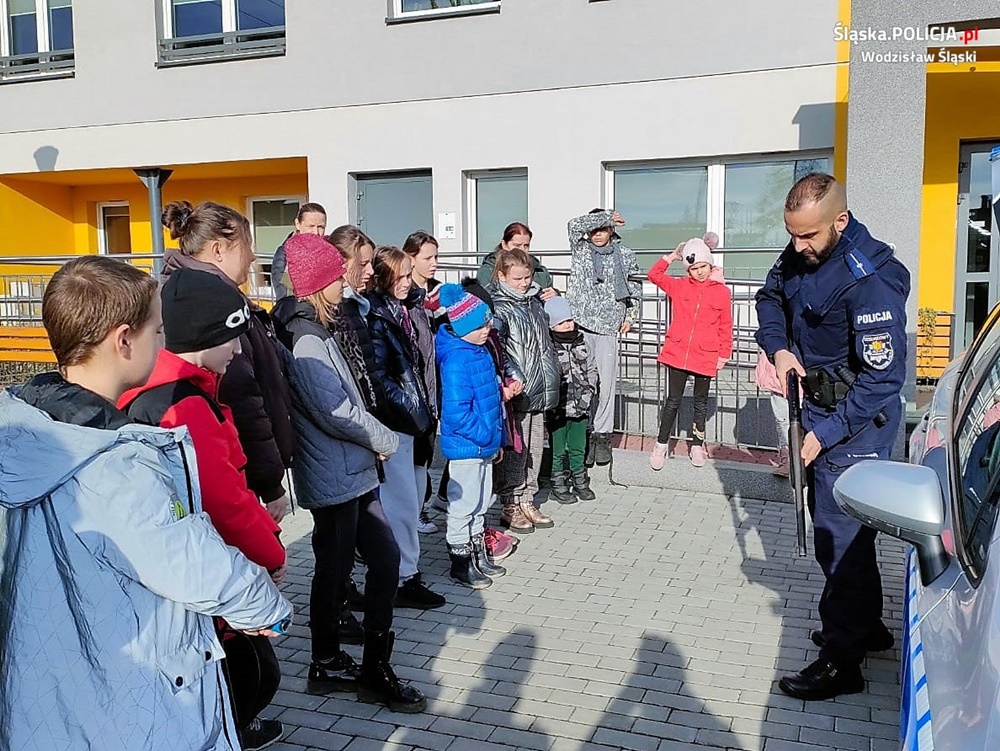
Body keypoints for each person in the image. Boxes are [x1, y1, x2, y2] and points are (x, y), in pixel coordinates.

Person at [0, 256, 291, 751]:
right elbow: (191, 560)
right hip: (128, 688)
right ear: (124, 339)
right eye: (157, 330)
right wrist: (267, 606)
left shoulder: (25, 426)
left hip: (47, 676)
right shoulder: (118, 462)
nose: (164, 342)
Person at [118, 268, 287, 748]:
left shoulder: (173, 390)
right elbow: (224, 499)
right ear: (203, 337)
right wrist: (270, 554)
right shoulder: (185, 404)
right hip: (210, 574)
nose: (237, 350)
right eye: (230, 339)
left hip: (193, 570)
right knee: (250, 677)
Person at [755, 173, 908, 701]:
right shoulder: (805, 247)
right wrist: (777, 347)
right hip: (818, 405)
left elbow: (883, 380)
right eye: (792, 235)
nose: (797, 248)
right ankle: (865, 630)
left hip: (855, 424)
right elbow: (769, 297)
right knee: (848, 540)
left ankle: (843, 663)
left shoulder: (869, 282)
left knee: (839, 543)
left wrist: (824, 434)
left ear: (839, 222)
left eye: (808, 237)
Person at [272, 233, 427, 713]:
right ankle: (334, 663)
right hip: (335, 472)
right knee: (339, 568)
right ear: (318, 284)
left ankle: (360, 663)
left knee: (368, 563)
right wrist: (383, 439)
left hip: (347, 470)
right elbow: (335, 409)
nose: (346, 282)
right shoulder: (306, 340)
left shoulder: (317, 328)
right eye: (337, 276)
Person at [161, 200, 295, 529]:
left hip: (235, 469)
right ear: (219, 249)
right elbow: (242, 397)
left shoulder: (207, 294)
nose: (252, 257)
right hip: (235, 477)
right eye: (247, 246)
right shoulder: (211, 306)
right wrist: (269, 482)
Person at [366, 245, 446, 609]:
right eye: (397, 276)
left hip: (415, 417)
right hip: (397, 421)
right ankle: (402, 577)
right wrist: (414, 413)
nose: (405, 282)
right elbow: (383, 379)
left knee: (411, 497)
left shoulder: (405, 306)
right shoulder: (376, 315)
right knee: (400, 502)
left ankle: (405, 572)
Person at [435, 283, 506, 588]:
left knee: (480, 502)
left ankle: (478, 552)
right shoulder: (456, 360)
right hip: (468, 446)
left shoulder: (479, 352)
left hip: (483, 444)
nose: (485, 331)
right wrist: (484, 435)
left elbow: (491, 400)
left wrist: (493, 439)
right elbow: (456, 413)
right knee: (463, 505)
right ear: (462, 326)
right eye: (479, 326)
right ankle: (460, 562)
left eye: (487, 324)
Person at [489, 248, 561, 533]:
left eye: (527, 276)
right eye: (517, 278)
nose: (523, 282)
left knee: (534, 447)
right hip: (517, 388)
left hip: (538, 385)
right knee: (515, 449)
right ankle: (510, 501)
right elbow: (498, 349)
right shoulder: (498, 305)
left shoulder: (534, 302)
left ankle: (527, 498)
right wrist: (511, 379)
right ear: (502, 275)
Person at [647, 234, 733, 469]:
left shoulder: (722, 293)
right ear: (688, 269)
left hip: (706, 355)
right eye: (694, 268)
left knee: (700, 403)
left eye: (703, 266)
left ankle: (697, 445)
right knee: (673, 401)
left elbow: (726, 325)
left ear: (710, 264)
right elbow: (653, 275)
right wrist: (672, 257)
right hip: (678, 352)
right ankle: (661, 444)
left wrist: (724, 354)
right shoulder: (679, 285)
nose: (700, 272)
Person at [565, 209, 641, 467]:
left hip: (610, 327)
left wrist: (631, 316)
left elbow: (635, 287)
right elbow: (574, 224)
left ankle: (603, 437)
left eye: (603, 229)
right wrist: (605, 216)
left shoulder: (626, 254)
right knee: (585, 384)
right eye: (594, 229)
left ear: (611, 231)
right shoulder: (581, 250)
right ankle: (584, 437)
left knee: (607, 386)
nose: (597, 234)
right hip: (583, 325)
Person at [401, 230, 444, 534]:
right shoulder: (404, 299)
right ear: (410, 258)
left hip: (432, 387)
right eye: (427, 258)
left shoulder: (439, 292)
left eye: (436, 257)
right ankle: (413, 513)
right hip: (411, 393)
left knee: (424, 456)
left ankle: (421, 508)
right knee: (413, 458)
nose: (434, 264)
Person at [544, 296, 598, 503]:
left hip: (581, 404)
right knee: (558, 448)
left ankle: (580, 480)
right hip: (559, 407)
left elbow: (591, 367)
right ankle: (557, 482)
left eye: (569, 320)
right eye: (561, 322)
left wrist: (590, 388)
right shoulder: (549, 346)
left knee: (578, 446)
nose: (568, 325)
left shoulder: (583, 341)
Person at [477, 222, 558, 300]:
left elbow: (550, 295)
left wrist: (555, 294)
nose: (522, 249)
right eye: (517, 245)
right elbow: (484, 300)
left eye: (526, 245)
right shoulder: (488, 270)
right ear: (504, 245)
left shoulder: (539, 271)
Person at [270, 202, 328, 300]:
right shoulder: (285, 254)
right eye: (311, 226)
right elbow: (285, 295)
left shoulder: (328, 251)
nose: (316, 232)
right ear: (297, 224)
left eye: (321, 227)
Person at [755, 348, 790, 476]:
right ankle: (787, 460)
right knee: (782, 422)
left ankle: (801, 461)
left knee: (804, 422)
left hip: (804, 377)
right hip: (777, 375)